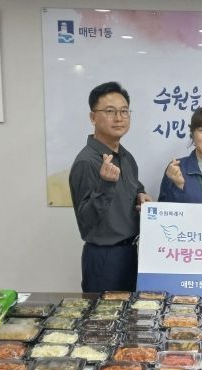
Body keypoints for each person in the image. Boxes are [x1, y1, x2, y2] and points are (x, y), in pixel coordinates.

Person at [69, 81, 151, 293]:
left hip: (130, 253)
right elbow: (86, 221)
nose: (119, 118)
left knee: (131, 312)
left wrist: (141, 195)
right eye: (110, 111)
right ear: (92, 117)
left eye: (124, 111)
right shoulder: (87, 162)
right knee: (102, 313)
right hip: (104, 258)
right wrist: (105, 184)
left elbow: (134, 186)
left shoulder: (125, 156)